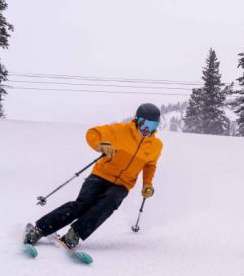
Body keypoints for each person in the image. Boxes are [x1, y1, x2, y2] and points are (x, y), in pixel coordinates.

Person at [24, 103, 164, 249]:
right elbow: (92, 133)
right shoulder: (120, 130)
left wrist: (147, 183)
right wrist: (101, 146)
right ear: (137, 120)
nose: (146, 128)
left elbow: (150, 165)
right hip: (101, 174)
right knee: (83, 204)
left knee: (109, 203)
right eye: (144, 123)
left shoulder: (156, 146)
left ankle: (75, 234)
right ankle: (39, 229)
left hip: (123, 184)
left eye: (152, 125)